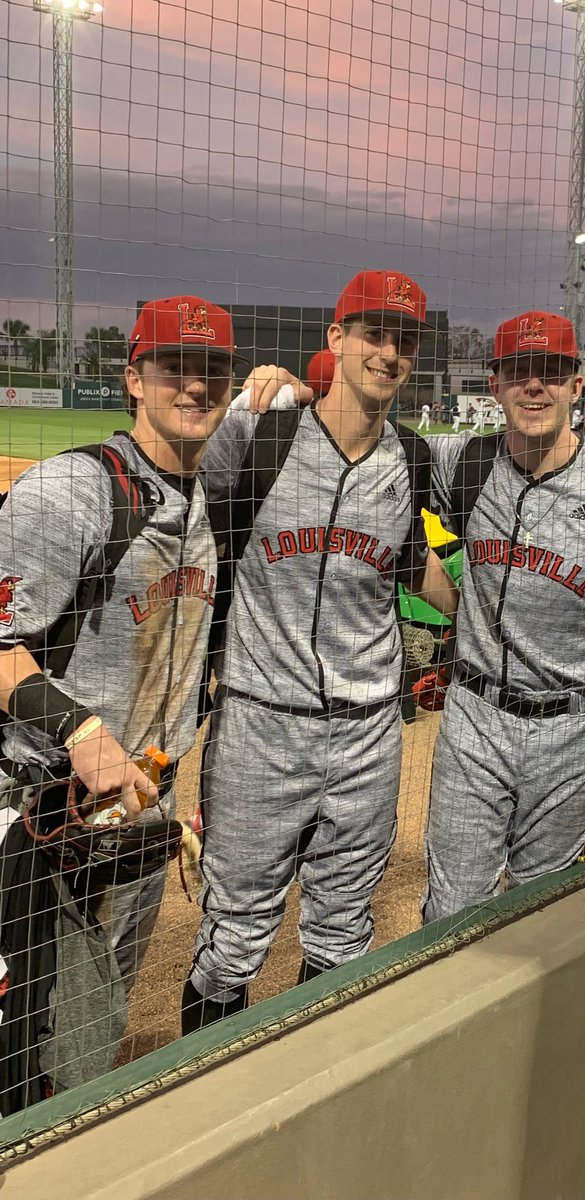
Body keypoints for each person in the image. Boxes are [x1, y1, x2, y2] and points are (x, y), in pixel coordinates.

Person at [183, 270, 458, 1031]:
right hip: (260, 726)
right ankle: (210, 1104)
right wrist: (247, 392)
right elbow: (172, 489)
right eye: (373, 332)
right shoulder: (261, 431)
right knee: (232, 941)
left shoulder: (412, 460)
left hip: (369, 734)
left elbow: (405, 555)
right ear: (335, 340)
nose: (390, 351)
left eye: (404, 339)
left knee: (342, 934)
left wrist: (476, 624)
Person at [0, 295, 247, 1106]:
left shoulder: (214, 502)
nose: (196, 384)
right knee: (31, 1063)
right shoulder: (70, 492)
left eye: (214, 368)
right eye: (176, 365)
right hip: (42, 831)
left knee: (91, 1033)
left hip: (137, 832)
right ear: (133, 378)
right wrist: (78, 732)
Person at [421, 311, 585, 921]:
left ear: (575, 385)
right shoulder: (462, 463)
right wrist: (289, 395)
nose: (534, 386)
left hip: (577, 731)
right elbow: (368, 461)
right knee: (450, 913)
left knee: (544, 914)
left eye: (551, 373)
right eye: (519, 372)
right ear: (495, 384)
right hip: (476, 719)